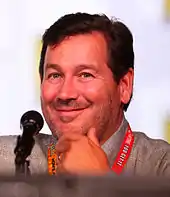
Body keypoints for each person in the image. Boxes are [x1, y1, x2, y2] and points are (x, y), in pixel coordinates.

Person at [39, 12, 170, 176]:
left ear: (124, 86)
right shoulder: (8, 160)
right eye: (55, 75)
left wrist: (99, 181)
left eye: (85, 75)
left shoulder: (161, 167)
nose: (65, 94)